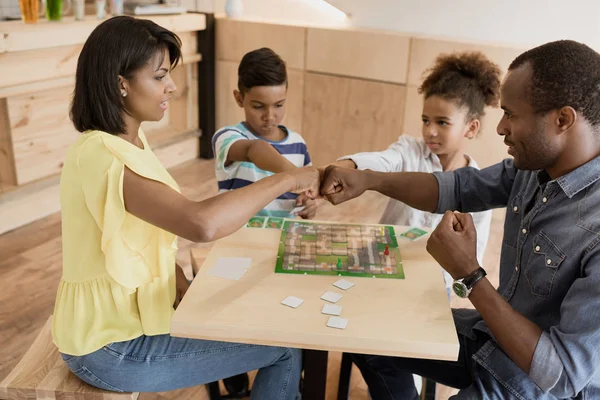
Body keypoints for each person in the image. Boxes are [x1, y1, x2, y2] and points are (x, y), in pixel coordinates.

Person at [52, 16, 318, 399]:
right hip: (110, 347)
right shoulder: (102, 154)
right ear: (120, 84)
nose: (172, 87)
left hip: (125, 326)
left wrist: (186, 288)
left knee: (266, 325)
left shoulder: (129, 142)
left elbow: (139, 241)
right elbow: (200, 224)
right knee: (284, 348)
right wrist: (290, 178)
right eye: (160, 76)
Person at [319, 40, 600, 399]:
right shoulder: (534, 168)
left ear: (562, 119)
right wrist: (370, 180)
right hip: (491, 340)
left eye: (511, 114)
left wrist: (470, 274)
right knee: (366, 335)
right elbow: (455, 187)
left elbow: (560, 375)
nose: (500, 128)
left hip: (534, 386)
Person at [328, 51, 499, 295]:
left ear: (470, 127)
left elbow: (474, 253)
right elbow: (383, 161)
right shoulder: (409, 150)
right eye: (425, 120)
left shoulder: (480, 186)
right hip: (381, 264)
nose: (429, 131)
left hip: (432, 286)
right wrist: (344, 168)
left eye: (442, 122)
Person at [212, 47, 317, 220]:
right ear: (239, 99)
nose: (269, 116)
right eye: (258, 106)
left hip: (282, 238)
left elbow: (305, 192)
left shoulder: (298, 145)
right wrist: (294, 174)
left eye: (279, 105)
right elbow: (254, 150)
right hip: (239, 239)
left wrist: (308, 204)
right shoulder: (227, 137)